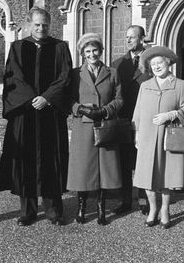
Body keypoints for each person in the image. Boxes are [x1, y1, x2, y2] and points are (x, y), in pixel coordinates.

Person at [0, 6, 72, 226]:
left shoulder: (60, 47)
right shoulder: (18, 47)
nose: (41, 28)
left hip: (50, 113)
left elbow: (65, 76)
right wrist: (32, 98)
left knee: (52, 159)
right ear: (30, 24)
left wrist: (47, 97)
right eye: (37, 24)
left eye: (45, 25)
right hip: (26, 113)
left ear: (50, 25)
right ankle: (27, 211)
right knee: (26, 160)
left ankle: (54, 211)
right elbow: (13, 77)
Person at [132, 46, 184, 229]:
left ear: (168, 63)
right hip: (147, 136)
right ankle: (153, 209)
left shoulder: (180, 85)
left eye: (160, 62)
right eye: (153, 64)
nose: (157, 66)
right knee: (146, 175)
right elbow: (138, 111)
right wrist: (137, 133)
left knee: (167, 175)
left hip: (169, 136)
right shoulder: (145, 85)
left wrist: (172, 114)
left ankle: (165, 209)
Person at [67, 33, 123, 225]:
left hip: (104, 125)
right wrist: (80, 109)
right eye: (88, 51)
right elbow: (68, 99)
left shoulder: (112, 73)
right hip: (83, 126)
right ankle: (81, 207)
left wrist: (105, 110)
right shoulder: (75, 74)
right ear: (82, 53)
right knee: (83, 169)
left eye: (95, 50)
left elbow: (119, 99)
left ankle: (101, 208)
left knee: (104, 170)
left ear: (101, 51)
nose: (92, 54)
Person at [111, 25, 151, 215]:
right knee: (125, 162)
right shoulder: (117, 63)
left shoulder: (153, 61)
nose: (128, 40)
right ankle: (125, 200)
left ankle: (144, 200)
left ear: (142, 39)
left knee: (143, 161)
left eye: (132, 37)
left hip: (145, 120)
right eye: (126, 37)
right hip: (124, 119)